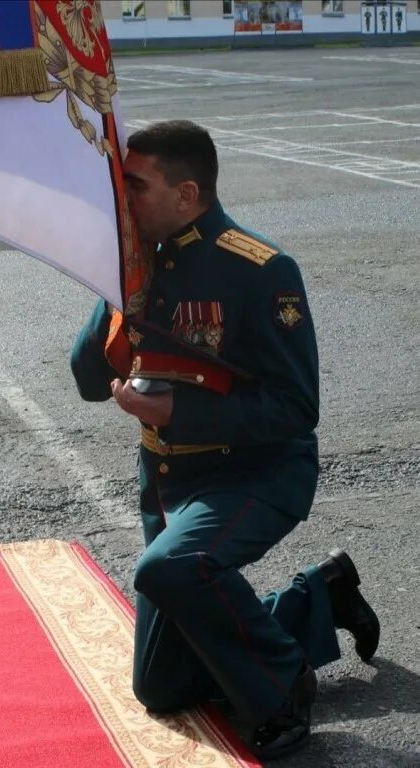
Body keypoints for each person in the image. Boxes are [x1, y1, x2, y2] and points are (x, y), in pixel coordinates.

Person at [70, 120, 380, 761]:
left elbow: (295, 409)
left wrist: (174, 409)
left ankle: (279, 694)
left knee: (171, 569)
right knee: (162, 688)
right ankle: (319, 597)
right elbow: (87, 379)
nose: (123, 200)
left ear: (187, 195)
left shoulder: (259, 270)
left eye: (135, 187)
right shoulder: (137, 263)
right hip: (166, 483)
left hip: (253, 474)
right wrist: (107, 282)